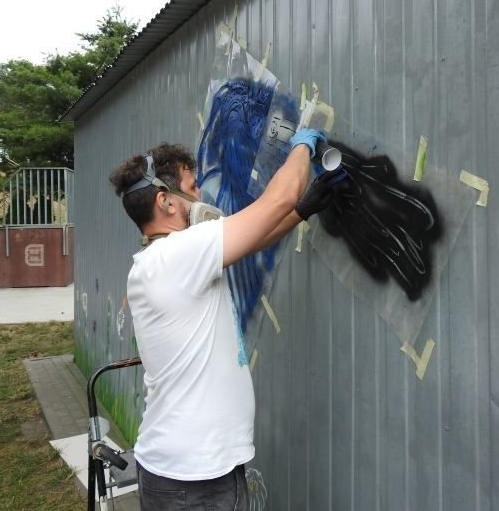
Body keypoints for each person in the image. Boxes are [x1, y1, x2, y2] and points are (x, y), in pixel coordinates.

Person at [109, 129, 339, 510]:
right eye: (193, 187)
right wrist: (303, 143)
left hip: (184, 470)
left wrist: (301, 211)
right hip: (196, 479)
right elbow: (277, 198)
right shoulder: (179, 254)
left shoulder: (162, 262)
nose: (201, 196)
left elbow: (253, 237)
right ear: (166, 201)